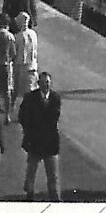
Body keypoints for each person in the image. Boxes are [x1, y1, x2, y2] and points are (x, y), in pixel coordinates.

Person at [18, 71, 62, 202]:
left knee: (53, 174)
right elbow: (22, 116)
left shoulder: (55, 98)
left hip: (50, 142)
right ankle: (29, 194)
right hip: (35, 140)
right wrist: (28, 131)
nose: (46, 85)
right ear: (38, 84)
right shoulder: (30, 98)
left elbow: (55, 117)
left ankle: (55, 198)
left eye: (48, 83)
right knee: (31, 171)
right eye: (43, 83)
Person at [13, 12, 38, 114]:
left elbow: (15, 53)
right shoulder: (33, 34)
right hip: (32, 66)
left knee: (17, 90)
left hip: (21, 67)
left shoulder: (18, 37)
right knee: (31, 91)